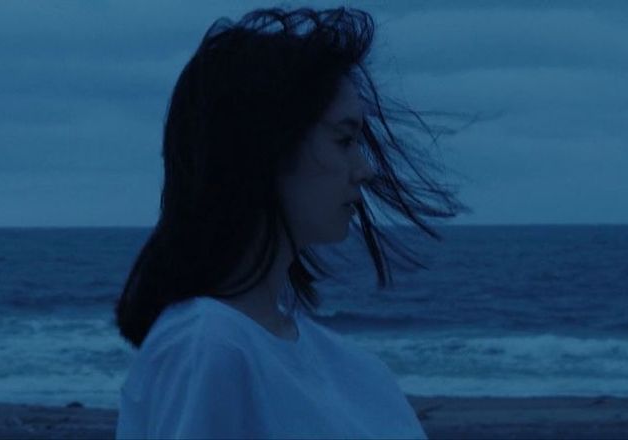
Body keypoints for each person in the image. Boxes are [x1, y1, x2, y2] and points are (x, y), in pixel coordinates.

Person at [114, 6, 469, 439]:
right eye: (344, 140)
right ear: (269, 145)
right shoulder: (209, 346)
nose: (365, 169)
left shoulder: (353, 369)